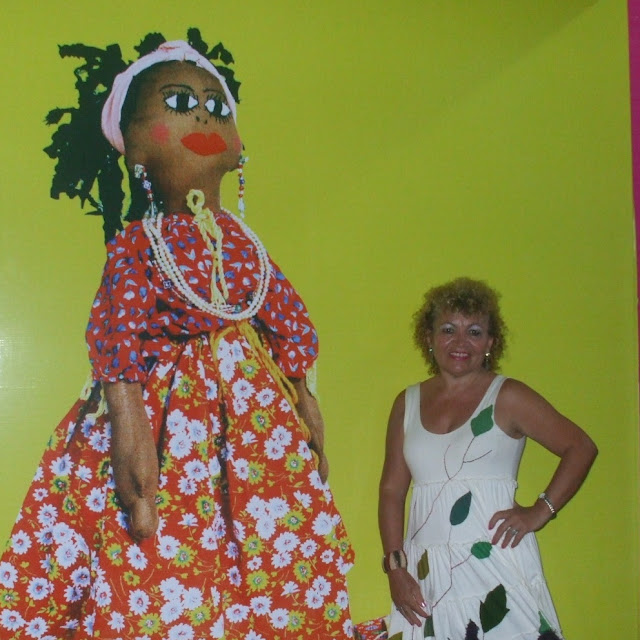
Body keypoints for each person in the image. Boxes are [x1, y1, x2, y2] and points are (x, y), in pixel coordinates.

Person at [0, 32, 354, 640]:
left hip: (254, 426)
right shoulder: (140, 245)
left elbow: (285, 318)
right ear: (135, 147)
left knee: (266, 542)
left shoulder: (243, 244)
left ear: (237, 148)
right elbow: (119, 348)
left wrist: (305, 403)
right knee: (159, 554)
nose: (202, 117)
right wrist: (135, 461)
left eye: (216, 107)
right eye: (179, 103)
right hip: (161, 423)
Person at [377, 277, 597, 640]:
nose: (460, 342)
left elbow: (580, 447)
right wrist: (396, 568)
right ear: (429, 337)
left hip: (494, 562)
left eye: (474, 332)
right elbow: (391, 491)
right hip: (428, 573)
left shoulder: (508, 396)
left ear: (491, 343)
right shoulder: (407, 403)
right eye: (448, 329)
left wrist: (540, 511)